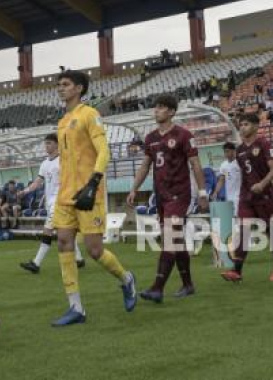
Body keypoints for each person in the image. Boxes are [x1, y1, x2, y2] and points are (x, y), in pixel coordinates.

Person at [49, 70, 136, 327]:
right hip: (66, 194)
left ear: (79, 88)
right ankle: (76, 308)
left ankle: (126, 279)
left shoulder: (90, 115)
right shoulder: (63, 121)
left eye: (65, 85)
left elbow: (103, 150)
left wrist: (94, 181)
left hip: (90, 192)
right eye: (59, 85)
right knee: (63, 242)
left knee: (94, 250)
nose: (60, 89)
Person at [127, 94, 207, 303]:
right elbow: (145, 165)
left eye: (162, 107)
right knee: (175, 241)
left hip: (180, 194)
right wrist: (134, 188)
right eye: (156, 107)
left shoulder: (183, 135)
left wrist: (202, 192)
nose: (157, 111)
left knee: (170, 238)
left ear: (172, 112)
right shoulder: (151, 137)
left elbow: (195, 164)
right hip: (161, 195)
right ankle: (188, 285)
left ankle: (157, 287)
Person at [220, 113, 273, 283]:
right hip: (247, 197)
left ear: (256, 126)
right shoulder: (239, 150)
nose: (242, 127)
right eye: (241, 124)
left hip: (265, 196)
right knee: (243, 230)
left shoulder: (263, 143)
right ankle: (237, 271)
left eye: (246, 124)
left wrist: (262, 184)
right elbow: (245, 175)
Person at [19, 134, 85, 273]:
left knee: (47, 231)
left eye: (49, 143)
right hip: (50, 202)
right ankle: (79, 259)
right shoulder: (44, 163)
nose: (46, 146)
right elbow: (38, 182)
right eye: (45, 144)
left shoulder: (63, 160)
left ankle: (36, 264)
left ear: (56, 144)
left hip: (60, 201)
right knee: (65, 231)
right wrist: (25, 191)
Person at [214, 142, 241, 216]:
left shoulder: (239, 163)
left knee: (239, 216)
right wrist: (216, 192)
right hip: (229, 196)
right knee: (232, 217)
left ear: (233, 151)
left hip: (240, 195)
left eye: (227, 151)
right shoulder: (224, 165)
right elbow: (222, 180)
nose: (225, 153)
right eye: (224, 151)